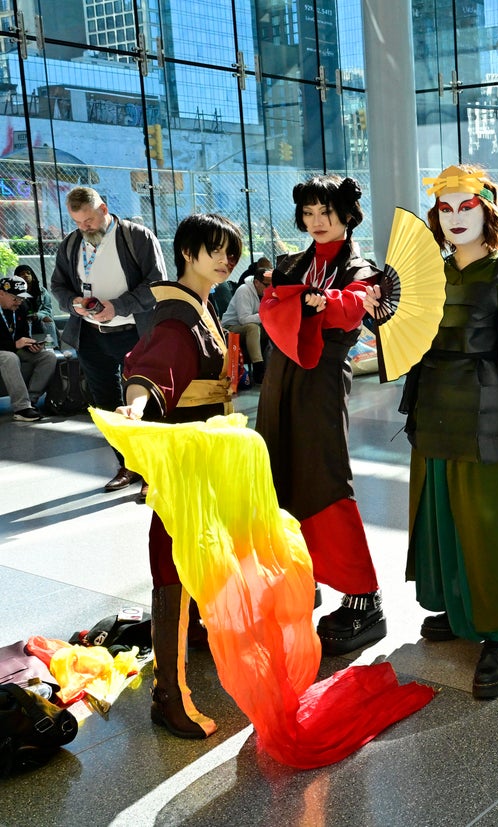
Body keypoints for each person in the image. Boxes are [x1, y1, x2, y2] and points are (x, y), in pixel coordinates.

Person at [401, 165, 498, 699]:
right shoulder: (429, 274)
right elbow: (410, 339)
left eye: (467, 207)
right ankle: (456, 605)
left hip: (489, 414)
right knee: (440, 512)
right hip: (435, 408)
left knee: (490, 521)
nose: (456, 218)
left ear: (488, 211)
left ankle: (496, 631)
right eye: (445, 208)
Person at [116, 212, 244, 739]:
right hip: (185, 461)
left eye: (229, 252)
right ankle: (167, 694)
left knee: (192, 561)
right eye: (213, 249)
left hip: (203, 455)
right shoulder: (177, 316)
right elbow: (152, 364)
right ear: (187, 252)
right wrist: (136, 401)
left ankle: (187, 664)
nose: (224, 260)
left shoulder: (199, 306)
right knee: (173, 567)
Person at [255, 175, 387, 656]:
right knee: (275, 476)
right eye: (308, 212)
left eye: (324, 211)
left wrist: (316, 303)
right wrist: (303, 304)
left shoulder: (359, 265)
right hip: (278, 380)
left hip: (324, 377)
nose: (315, 221)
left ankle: (363, 595)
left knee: (325, 477)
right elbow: (268, 309)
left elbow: (353, 310)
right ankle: (297, 577)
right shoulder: (293, 262)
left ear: (347, 213)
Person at [51, 186, 167, 491]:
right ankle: (127, 465)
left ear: (103, 209)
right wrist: (73, 304)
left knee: (142, 403)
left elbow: (157, 283)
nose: (84, 227)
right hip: (92, 335)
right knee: (105, 405)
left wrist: (119, 306)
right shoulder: (71, 244)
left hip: (133, 334)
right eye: (78, 222)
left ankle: (153, 473)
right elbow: (59, 286)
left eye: (88, 220)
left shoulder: (136, 237)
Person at [1, 274, 57, 422]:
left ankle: (31, 401)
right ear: (1, 293)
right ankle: (21, 408)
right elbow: (13, 345)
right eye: (15, 298)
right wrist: (14, 345)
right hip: (5, 352)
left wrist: (31, 345)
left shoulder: (21, 308)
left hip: (15, 349)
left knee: (49, 356)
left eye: (22, 298)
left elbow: (23, 334)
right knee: (9, 357)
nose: (19, 302)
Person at [222, 257, 273, 384]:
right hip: (231, 326)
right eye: (267, 285)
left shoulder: (266, 292)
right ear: (256, 282)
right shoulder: (244, 290)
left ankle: (274, 368)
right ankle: (258, 369)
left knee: (272, 329)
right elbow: (244, 319)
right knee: (253, 328)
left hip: (249, 324)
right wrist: (266, 315)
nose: (269, 288)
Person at [15, 264, 57, 347]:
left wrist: (37, 315)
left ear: (32, 276)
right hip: (22, 318)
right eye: (22, 274)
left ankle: (53, 346)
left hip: (38, 317)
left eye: (28, 273)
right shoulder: (15, 292)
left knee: (48, 319)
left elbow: (48, 309)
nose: (26, 275)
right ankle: (29, 346)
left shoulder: (41, 291)